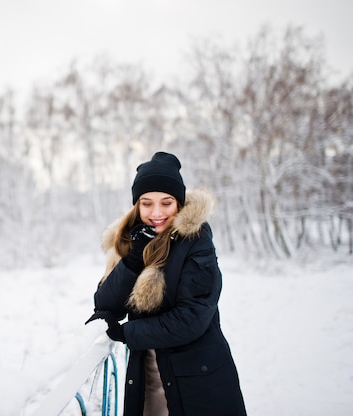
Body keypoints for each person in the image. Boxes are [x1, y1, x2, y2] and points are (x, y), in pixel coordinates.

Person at [86, 152, 246, 416]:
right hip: (148, 377)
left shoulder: (196, 241)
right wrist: (134, 260)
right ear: (137, 205)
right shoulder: (131, 238)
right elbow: (105, 304)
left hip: (198, 378)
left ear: (179, 203)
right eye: (146, 203)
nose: (156, 213)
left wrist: (126, 333)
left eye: (166, 202)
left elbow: (191, 318)